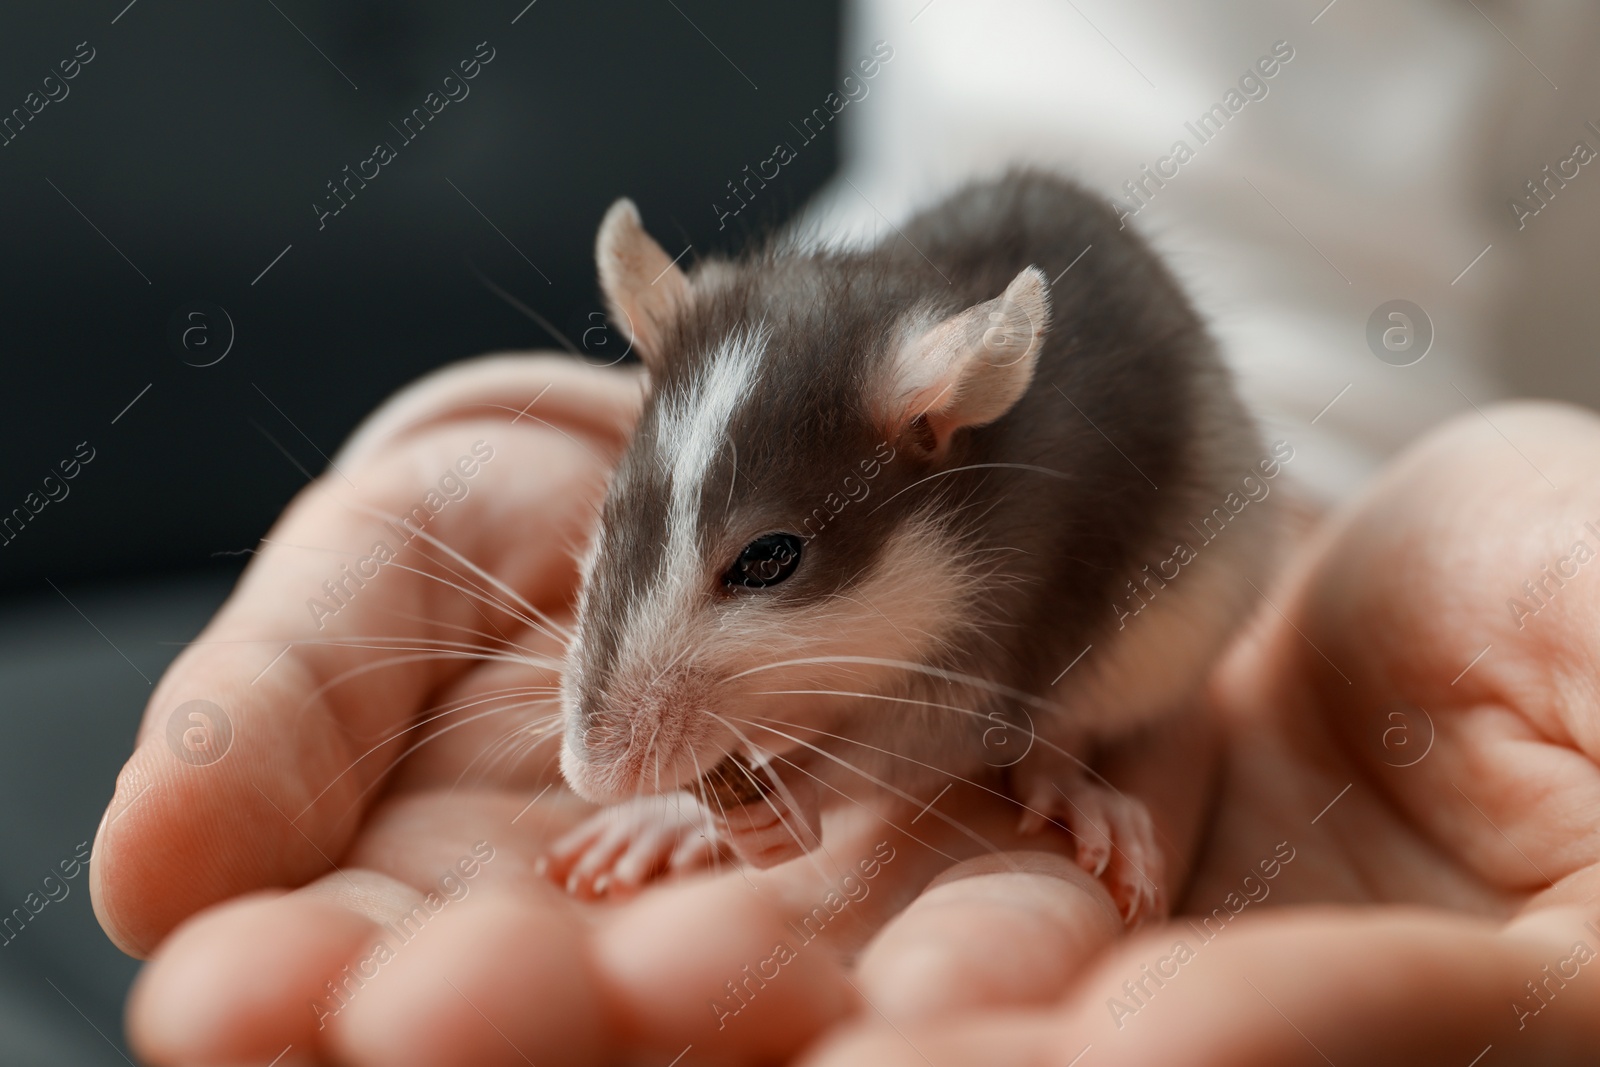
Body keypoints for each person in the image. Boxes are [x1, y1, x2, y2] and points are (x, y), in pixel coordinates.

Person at [94, 0, 1600, 1062]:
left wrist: (751, 794)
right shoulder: (834, 402)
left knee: (1076, 682)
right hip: (919, 308)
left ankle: (1088, 756)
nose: (595, 731)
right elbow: (1255, 195)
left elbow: (944, 720)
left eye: (760, 572)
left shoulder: (969, 487)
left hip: (1163, 570)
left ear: (941, 435)